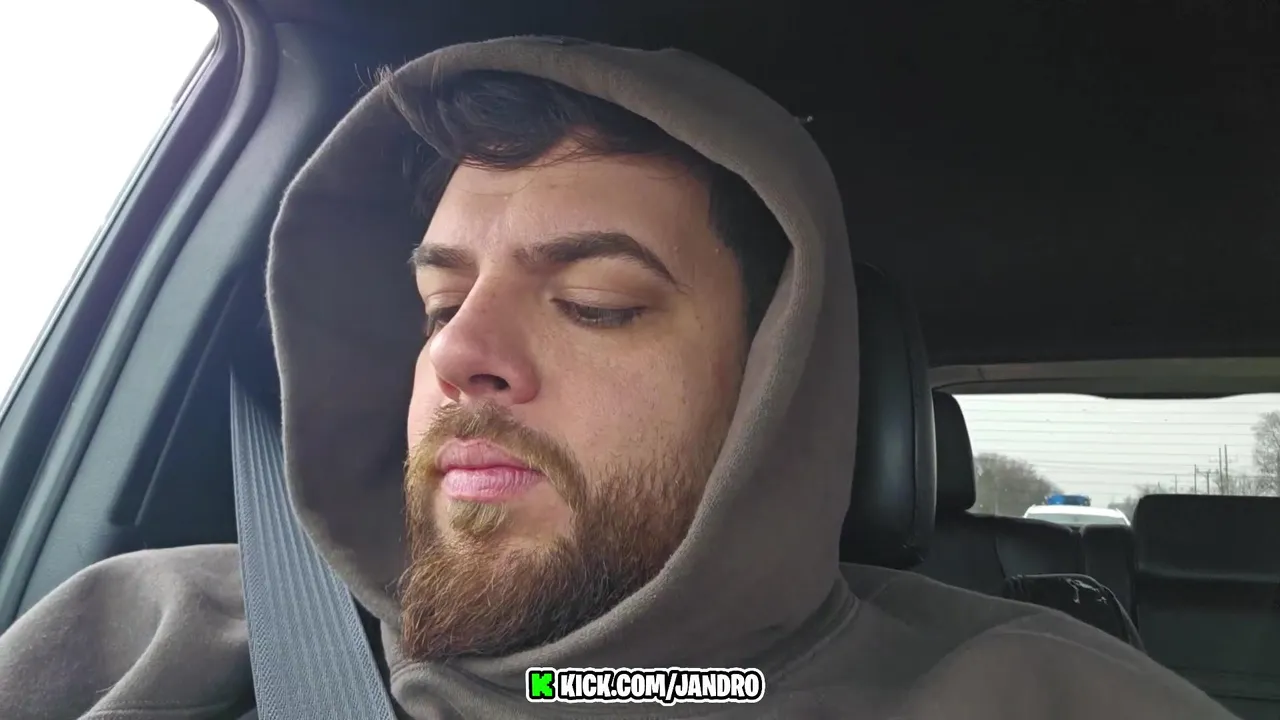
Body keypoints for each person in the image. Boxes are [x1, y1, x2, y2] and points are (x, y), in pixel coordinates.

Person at [0, 36, 1239, 720]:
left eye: (595, 304)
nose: (456, 355)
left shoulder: (1052, 699)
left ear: (777, 391)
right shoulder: (150, 640)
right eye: (436, 303)